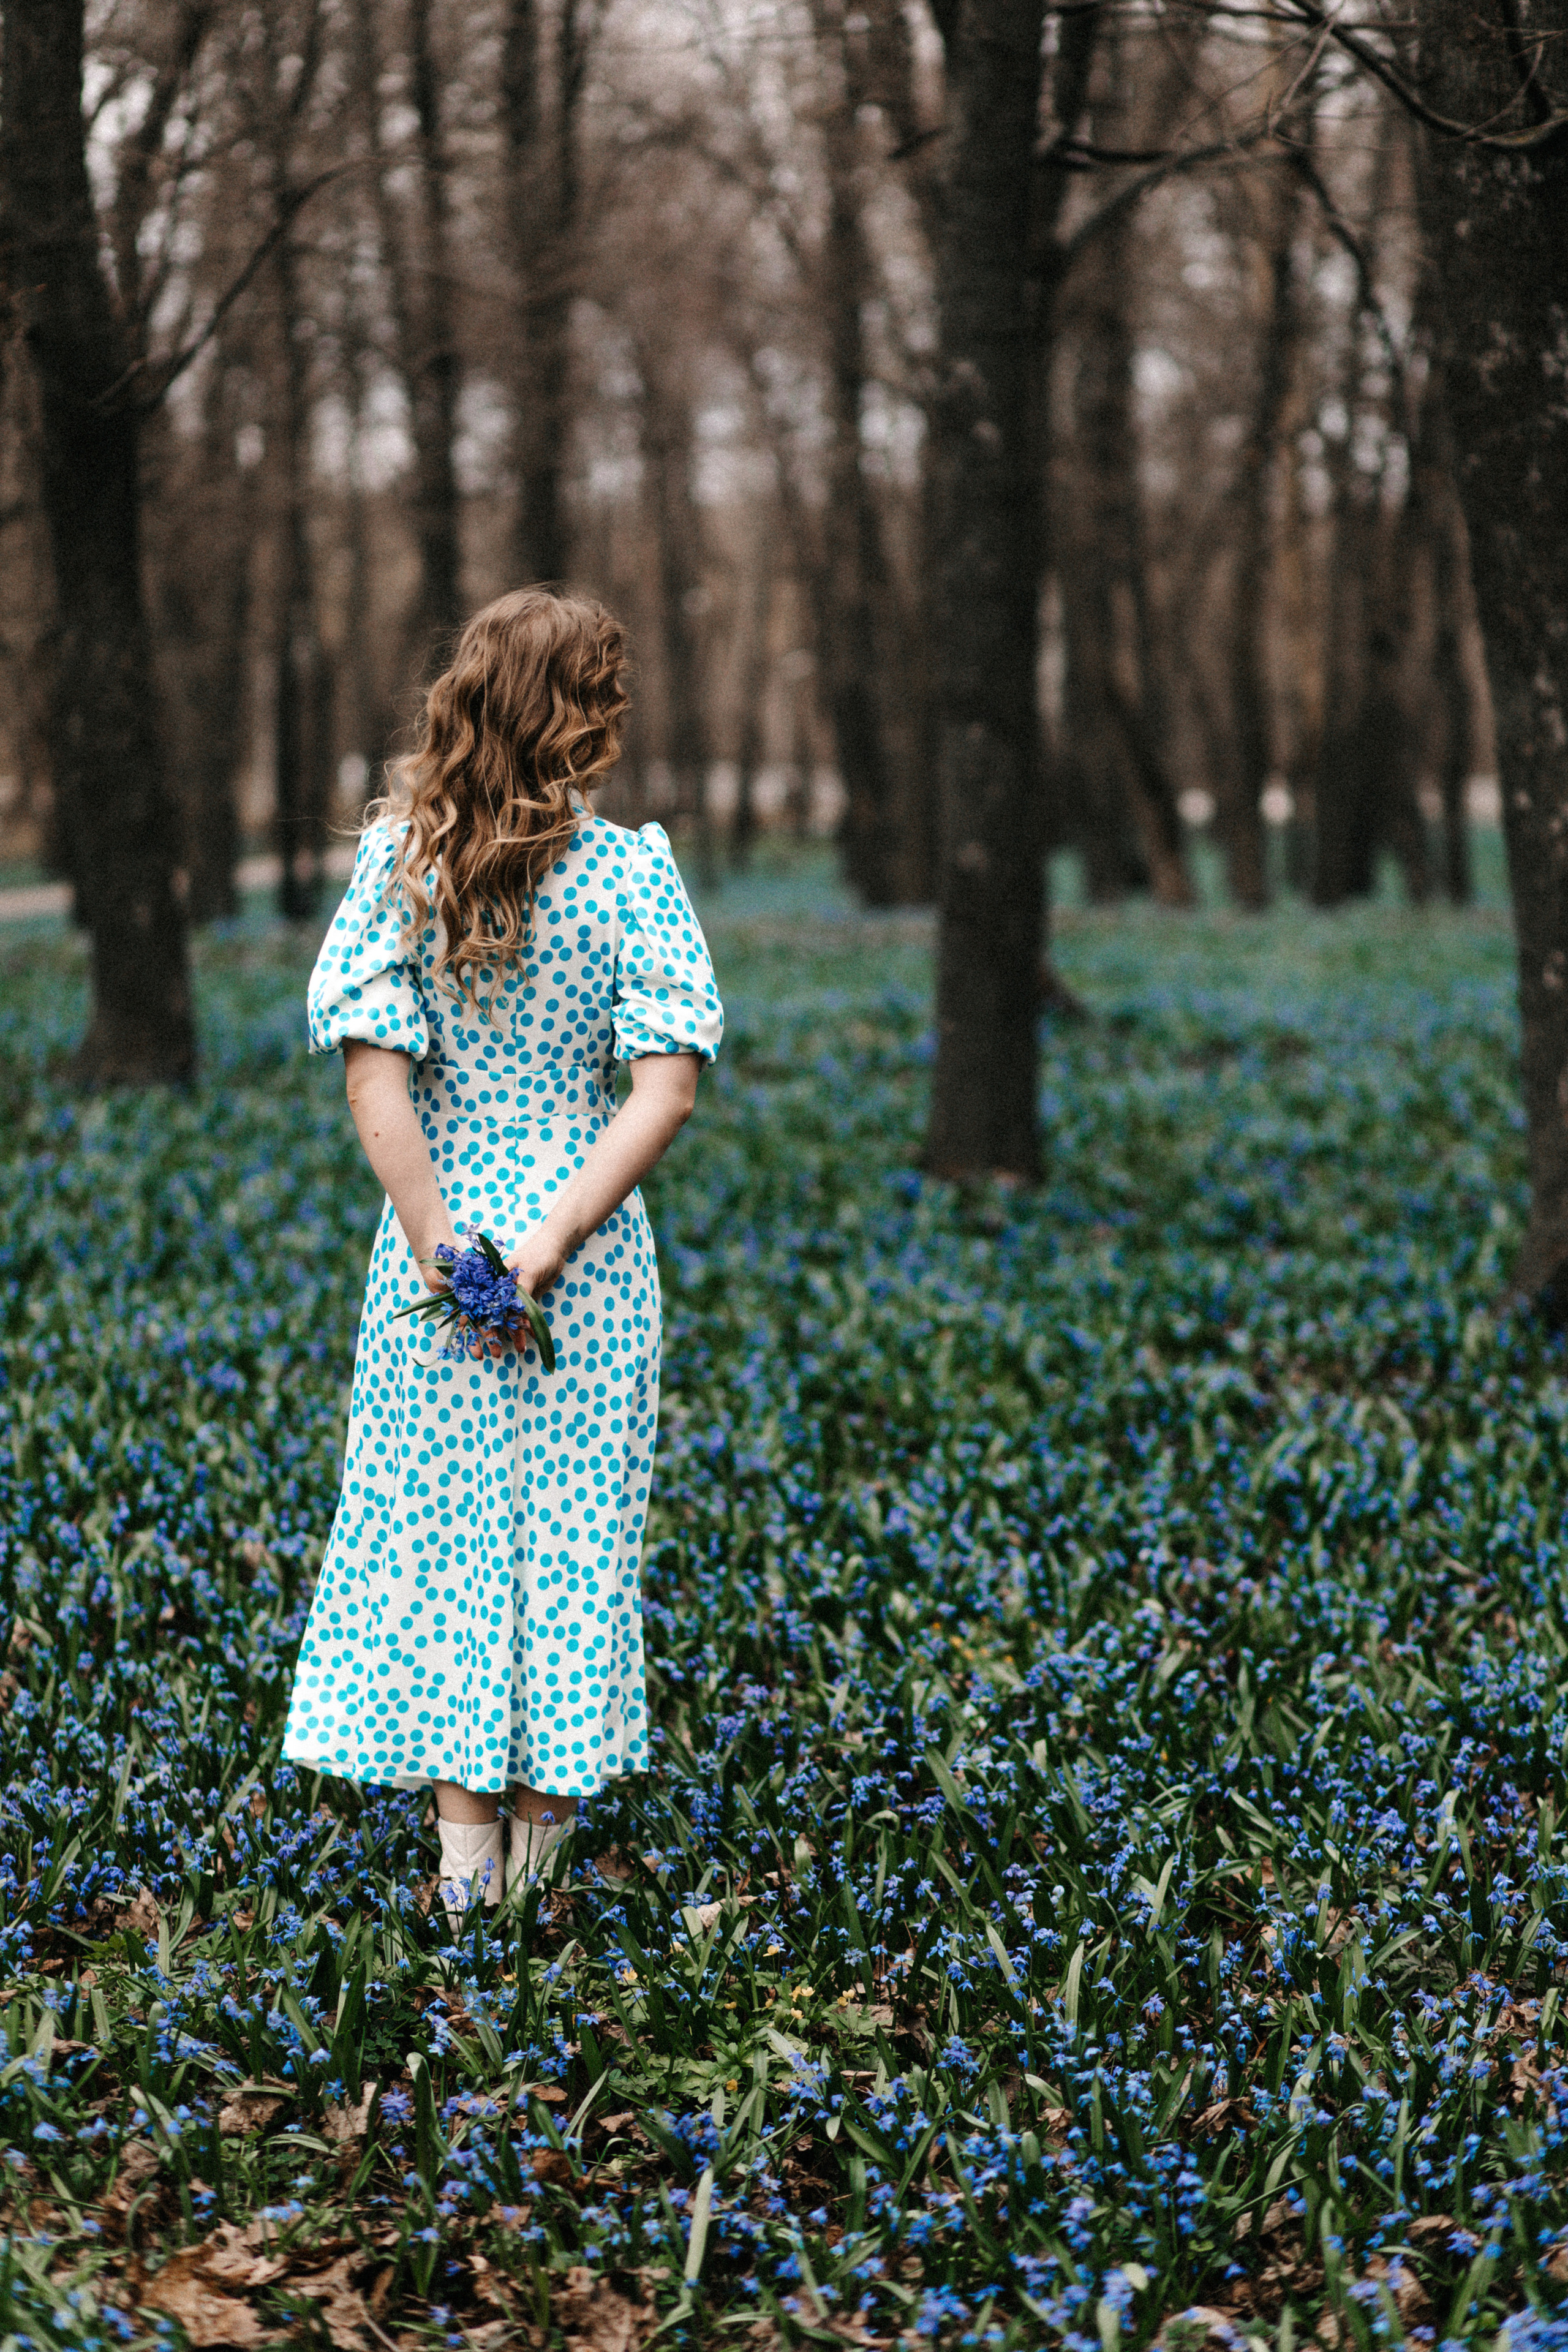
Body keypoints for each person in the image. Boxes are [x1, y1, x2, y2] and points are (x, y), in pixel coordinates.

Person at [280, 587, 723, 1925]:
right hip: (581, 1252)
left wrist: (438, 1242)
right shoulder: (631, 872)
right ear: (582, 715)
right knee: (572, 1545)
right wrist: (546, 1244)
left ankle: (461, 1888)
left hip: (437, 1240)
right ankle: (535, 1881)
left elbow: (376, 1074)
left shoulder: (400, 861)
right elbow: (665, 1090)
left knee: (445, 1547)